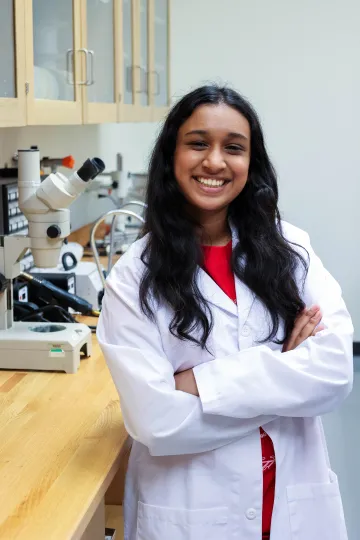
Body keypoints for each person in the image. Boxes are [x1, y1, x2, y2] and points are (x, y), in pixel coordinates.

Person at [97, 85, 353, 540]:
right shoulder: (133, 276)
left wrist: (197, 384)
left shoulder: (291, 249)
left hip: (292, 507)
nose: (214, 162)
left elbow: (334, 373)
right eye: (198, 143)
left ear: (250, 164)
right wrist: (285, 375)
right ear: (171, 156)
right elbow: (157, 423)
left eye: (233, 148)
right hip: (192, 514)